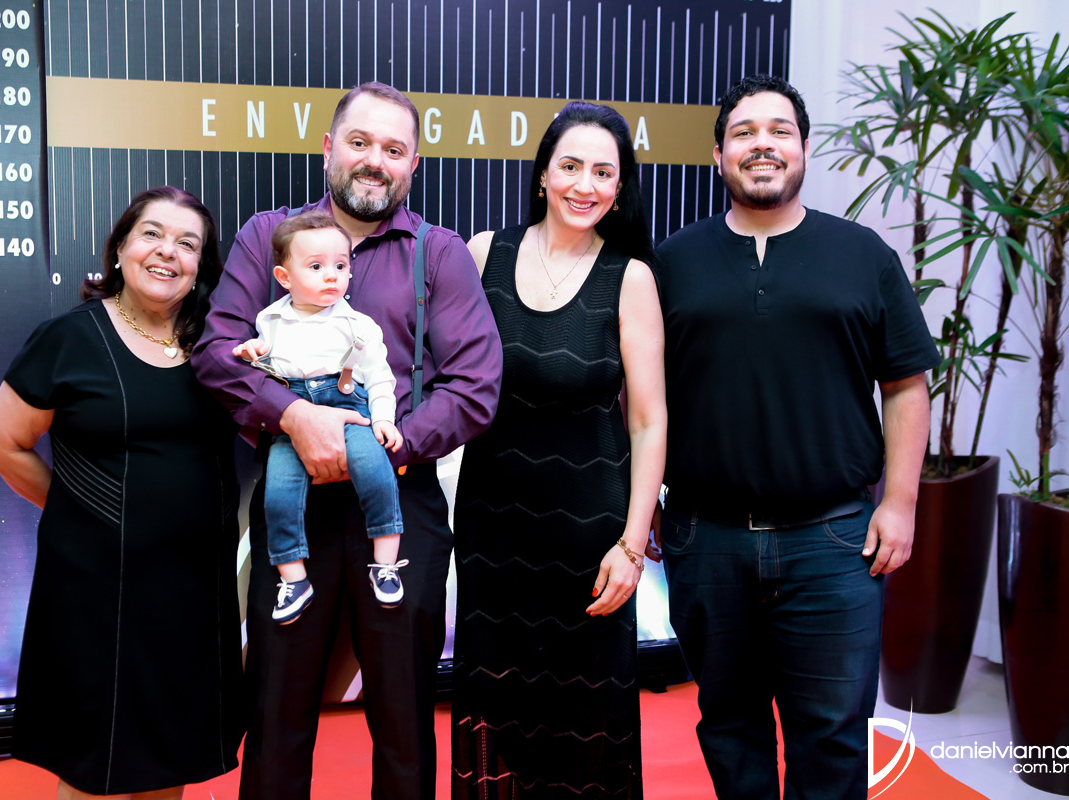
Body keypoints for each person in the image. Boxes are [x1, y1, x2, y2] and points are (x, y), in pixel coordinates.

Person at [192, 81, 503, 800]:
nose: (374, 161)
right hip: (291, 500)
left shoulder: (439, 253)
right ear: (330, 148)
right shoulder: (268, 235)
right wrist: (297, 419)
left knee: (403, 718)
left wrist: (381, 449)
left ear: (413, 165)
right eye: (360, 143)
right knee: (276, 707)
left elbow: (475, 385)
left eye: (394, 150)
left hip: (399, 497)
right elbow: (217, 352)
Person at [655, 74, 938, 800]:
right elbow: (639, 399)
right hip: (705, 540)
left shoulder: (863, 255)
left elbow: (906, 385)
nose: (763, 145)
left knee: (834, 736)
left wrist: (900, 504)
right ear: (718, 154)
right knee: (730, 727)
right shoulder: (671, 263)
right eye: (744, 133)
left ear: (804, 148)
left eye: (779, 131)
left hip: (834, 542)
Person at [0, 186, 245, 800]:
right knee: (93, 763)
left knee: (171, 755)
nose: (167, 251)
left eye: (188, 243)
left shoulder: (218, 348)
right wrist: (86, 510)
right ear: (120, 248)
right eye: (152, 234)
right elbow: (2, 444)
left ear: (201, 267)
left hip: (193, 589)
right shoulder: (67, 339)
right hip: (94, 588)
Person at [453, 101, 667, 798]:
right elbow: (447, 377)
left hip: (590, 536)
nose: (585, 184)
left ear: (620, 187)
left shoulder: (630, 277)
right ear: (543, 173)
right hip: (492, 530)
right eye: (570, 166)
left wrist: (632, 545)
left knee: (584, 722)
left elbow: (649, 420)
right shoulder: (484, 253)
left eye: (604, 172)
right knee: (498, 711)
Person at [231, 210, 407, 624]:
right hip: (293, 421)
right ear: (284, 277)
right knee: (278, 493)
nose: (332, 276)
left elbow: (380, 378)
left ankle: (385, 563)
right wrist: (252, 353)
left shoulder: (359, 325)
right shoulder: (269, 320)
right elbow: (267, 370)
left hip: (350, 410)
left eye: (340, 266)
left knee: (376, 472)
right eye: (316, 267)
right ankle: (293, 578)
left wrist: (383, 419)